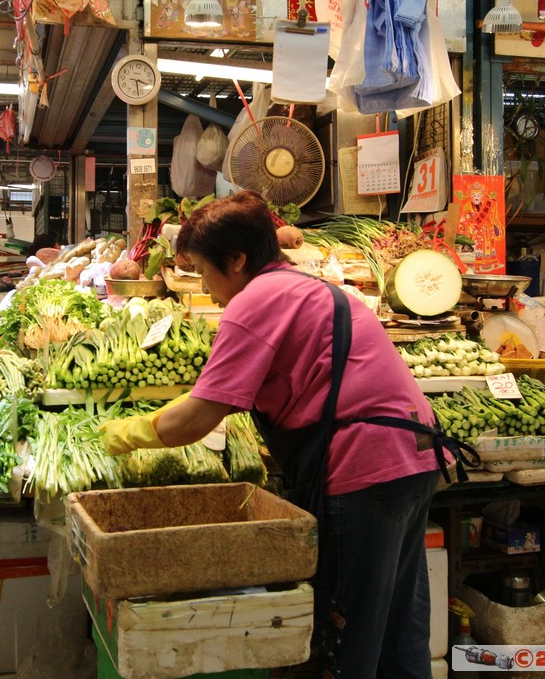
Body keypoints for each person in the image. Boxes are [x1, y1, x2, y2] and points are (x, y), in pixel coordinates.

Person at [100, 191, 464, 679]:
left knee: (344, 635)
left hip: (364, 469)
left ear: (237, 259)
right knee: (398, 627)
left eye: (205, 272)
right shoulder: (302, 286)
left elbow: (198, 418)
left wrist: (124, 432)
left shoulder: (255, 301)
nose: (207, 289)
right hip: (413, 457)